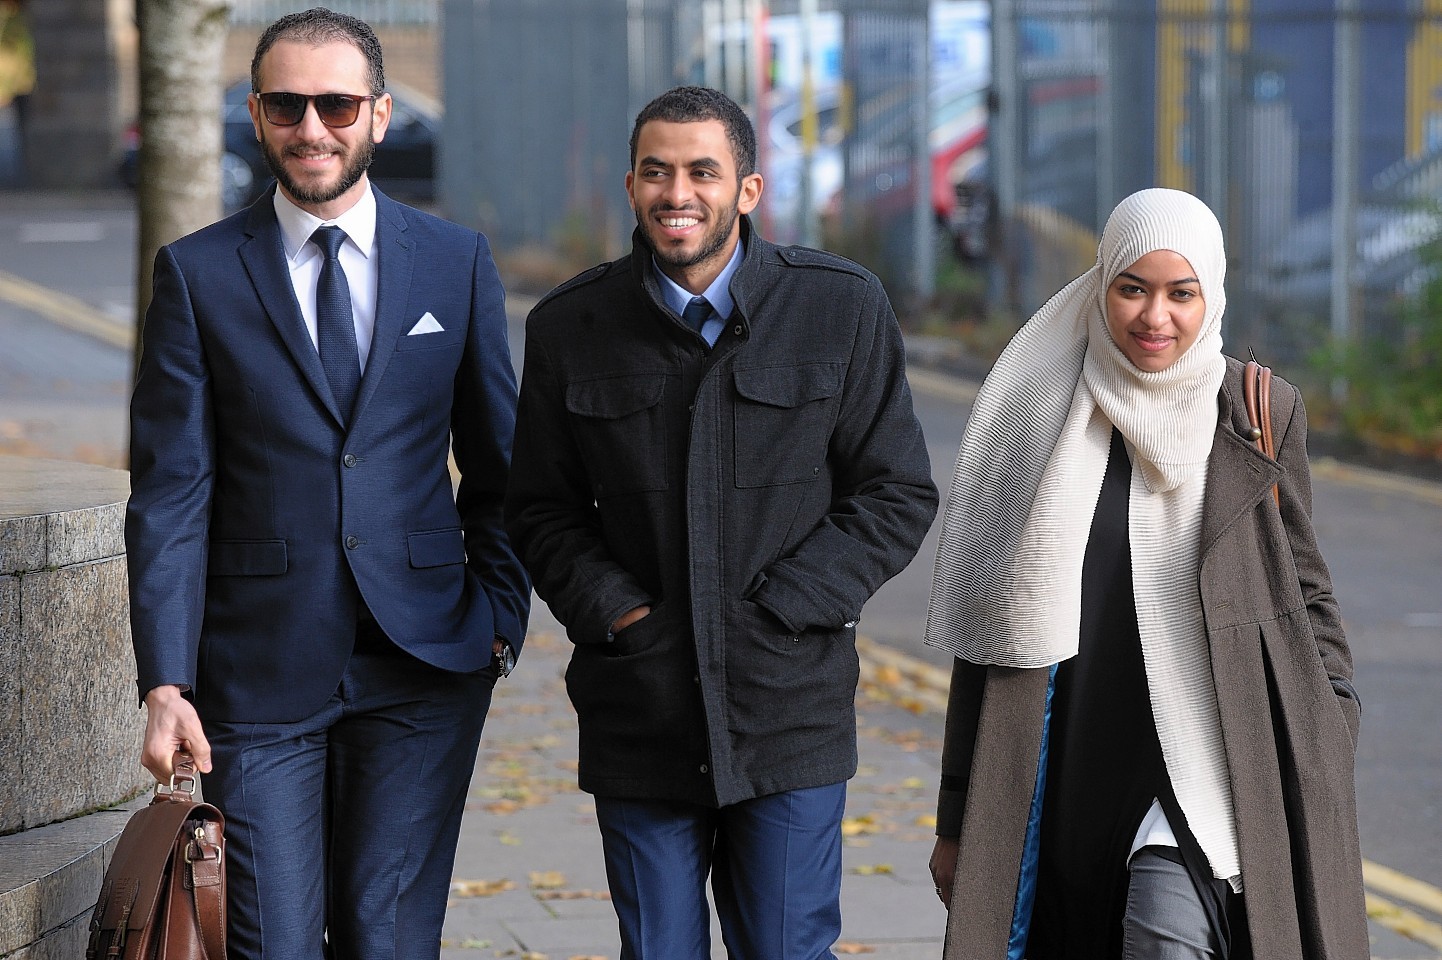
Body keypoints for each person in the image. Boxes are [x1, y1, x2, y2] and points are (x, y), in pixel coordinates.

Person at [125, 9, 529, 959]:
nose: (313, 128)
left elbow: (504, 466)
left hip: (426, 660)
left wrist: (499, 619)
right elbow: (172, 492)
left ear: (380, 114)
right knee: (271, 947)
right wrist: (165, 679)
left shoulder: (456, 261)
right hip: (256, 670)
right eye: (286, 105)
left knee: (388, 941)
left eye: (337, 104)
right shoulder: (196, 274)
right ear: (258, 115)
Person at [504, 85, 938, 959]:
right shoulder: (570, 326)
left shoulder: (840, 306)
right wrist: (621, 616)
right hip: (643, 709)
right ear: (629, 186)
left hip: (790, 708)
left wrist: (786, 609)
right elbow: (542, 510)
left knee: (786, 947)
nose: (678, 192)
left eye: (703, 171)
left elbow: (895, 491)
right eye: (657, 171)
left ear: (747, 189)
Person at [924, 188, 1368, 959]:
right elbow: (988, 630)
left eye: (1180, 293)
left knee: (1168, 938)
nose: (1154, 317)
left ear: (1212, 296)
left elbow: (1307, 589)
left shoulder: (1258, 412)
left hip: (1213, 756)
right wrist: (960, 818)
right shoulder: (1039, 411)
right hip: (1067, 761)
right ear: (1102, 287)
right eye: (1133, 288)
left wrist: (1330, 720)